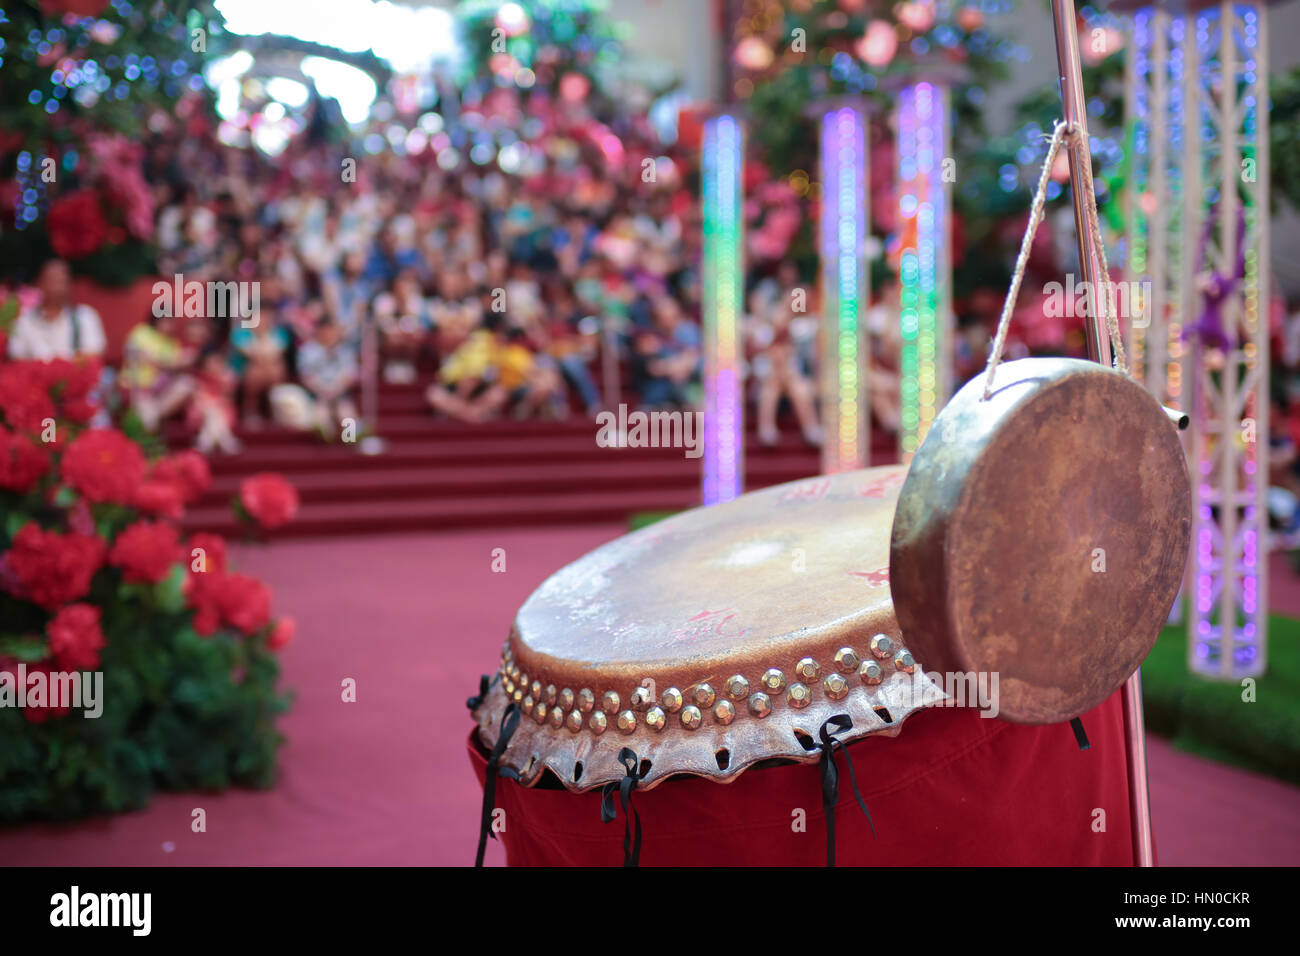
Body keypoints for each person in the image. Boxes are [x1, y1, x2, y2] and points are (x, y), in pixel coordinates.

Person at [7, 259, 107, 361]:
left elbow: (94, 355)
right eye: (51, 280)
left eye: (62, 281)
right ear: (38, 283)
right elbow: (17, 358)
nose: (58, 287)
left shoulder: (85, 316)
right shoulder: (23, 320)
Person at [120, 312, 196, 431]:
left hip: (159, 392)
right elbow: (144, 358)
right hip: (137, 388)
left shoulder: (171, 343)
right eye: (164, 320)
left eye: (170, 321)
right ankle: (151, 416)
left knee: (187, 383)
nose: (167, 324)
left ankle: (154, 413)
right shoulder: (141, 333)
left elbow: (177, 365)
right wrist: (173, 362)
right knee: (147, 419)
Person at [298, 319, 360, 439]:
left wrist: (336, 390)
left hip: (340, 391)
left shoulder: (345, 351)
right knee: (321, 413)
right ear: (319, 332)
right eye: (326, 331)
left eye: (332, 331)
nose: (329, 335)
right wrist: (323, 391)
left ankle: (351, 438)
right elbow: (306, 376)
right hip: (317, 393)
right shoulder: (308, 350)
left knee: (346, 411)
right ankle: (326, 439)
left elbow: (350, 375)